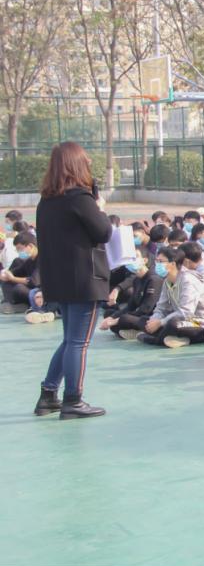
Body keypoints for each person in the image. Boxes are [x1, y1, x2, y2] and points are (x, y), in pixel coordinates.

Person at [33, 142, 114, 419]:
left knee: (70, 340)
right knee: (79, 342)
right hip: (85, 280)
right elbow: (103, 232)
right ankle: (73, 400)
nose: (89, 162)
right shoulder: (80, 198)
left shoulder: (47, 201)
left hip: (60, 280)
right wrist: (99, 208)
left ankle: (48, 394)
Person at [139, 246, 204, 348]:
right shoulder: (167, 281)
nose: (157, 264)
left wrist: (160, 323)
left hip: (197, 323)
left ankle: (156, 340)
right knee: (144, 320)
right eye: (156, 261)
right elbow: (161, 307)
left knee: (172, 324)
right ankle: (173, 339)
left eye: (161, 261)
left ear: (173, 264)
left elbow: (186, 312)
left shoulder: (188, 280)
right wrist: (154, 321)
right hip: (180, 320)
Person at [98, 251, 164, 341]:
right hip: (139, 315)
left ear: (145, 260)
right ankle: (133, 330)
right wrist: (111, 318)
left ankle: (140, 330)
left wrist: (117, 320)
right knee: (109, 314)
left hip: (150, 317)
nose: (131, 261)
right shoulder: (137, 280)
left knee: (124, 319)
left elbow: (146, 309)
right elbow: (130, 306)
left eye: (135, 257)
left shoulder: (154, 280)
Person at [0, 231, 38, 312]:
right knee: (6, 281)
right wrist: (5, 274)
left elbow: (33, 281)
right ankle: (13, 303)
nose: (19, 252)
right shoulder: (29, 261)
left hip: (40, 293)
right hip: (31, 291)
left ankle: (26, 305)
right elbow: (17, 271)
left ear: (30, 246)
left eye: (20, 249)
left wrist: (13, 278)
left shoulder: (42, 259)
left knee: (19, 288)